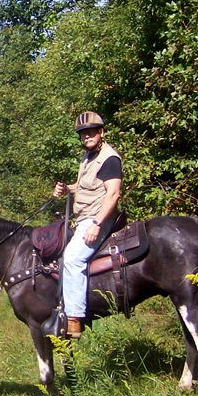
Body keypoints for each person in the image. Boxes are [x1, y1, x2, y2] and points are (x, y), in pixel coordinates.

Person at [48, 111, 122, 339]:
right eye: (83, 133)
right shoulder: (87, 158)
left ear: (101, 132)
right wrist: (65, 189)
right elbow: (84, 186)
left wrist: (97, 224)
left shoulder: (109, 159)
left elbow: (113, 194)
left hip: (98, 218)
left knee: (72, 258)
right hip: (83, 217)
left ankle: (74, 319)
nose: (87, 136)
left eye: (91, 132)